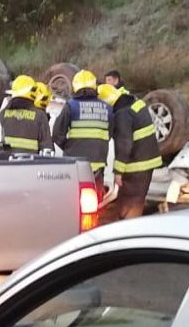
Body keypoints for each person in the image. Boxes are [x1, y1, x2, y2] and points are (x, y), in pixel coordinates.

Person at [98, 83, 162, 219]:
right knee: (136, 199)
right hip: (147, 161)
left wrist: (118, 172)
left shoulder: (122, 114)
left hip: (136, 166)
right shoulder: (134, 102)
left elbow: (124, 143)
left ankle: (128, 231)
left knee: (130, 202)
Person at [53, 69, 112, 191]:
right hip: (98, 164)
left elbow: (57, 134)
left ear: (75, 87)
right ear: (95, 86)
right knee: (96, 201)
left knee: (73, 200)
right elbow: (109, 134)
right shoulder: (107, 108)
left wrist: (69, 148)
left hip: (75, 164)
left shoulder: (71, 106)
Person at [0, 75, 52, 153]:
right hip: (30, 164)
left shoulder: (3, 114)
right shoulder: (40, 116)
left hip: (5, 164)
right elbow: (47, 149)